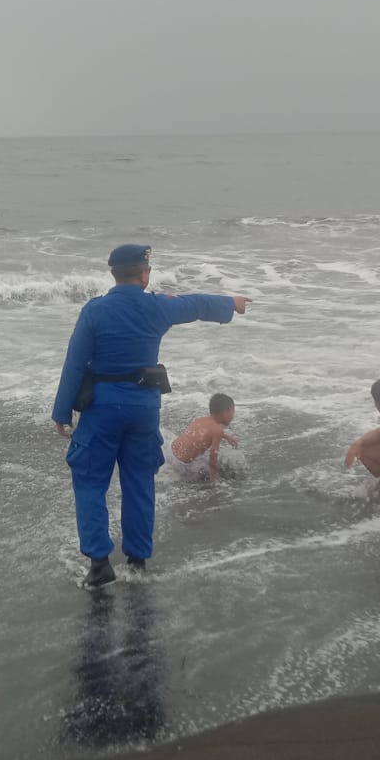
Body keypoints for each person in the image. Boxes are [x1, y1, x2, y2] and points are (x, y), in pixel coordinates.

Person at [53, 245, 252, 587]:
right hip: (144, 409)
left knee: (90, 481)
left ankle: (99, 564)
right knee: (140, 482)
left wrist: (62, 412)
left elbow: (74, 363)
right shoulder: (156, 306)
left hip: (102, 409)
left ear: (113, 273)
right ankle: (138, 560)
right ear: (144, 274)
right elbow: (194, 304)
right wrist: (230, 302)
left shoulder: (94, 311)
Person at [166, 393, 239, 482]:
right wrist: (213, 481)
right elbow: (213, 459)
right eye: (232, 411)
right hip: (183, 466)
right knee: (217, 469)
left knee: (199, 456)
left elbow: (209, 431)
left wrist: (226, 437)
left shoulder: (202, 420)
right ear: (226, 412)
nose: (233, 415)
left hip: (171, 454)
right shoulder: (217, 430)